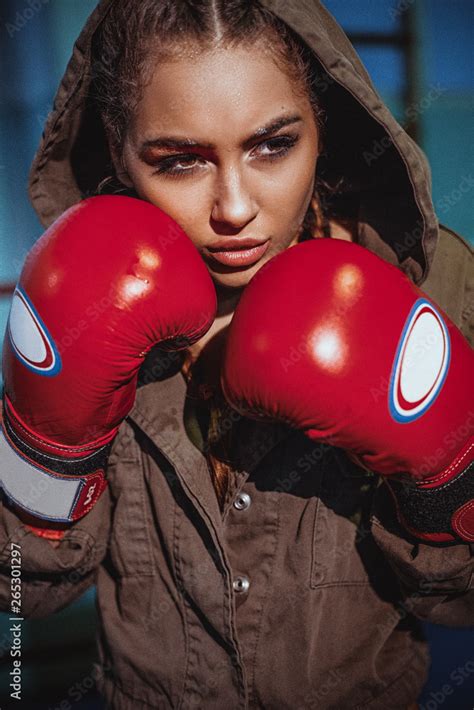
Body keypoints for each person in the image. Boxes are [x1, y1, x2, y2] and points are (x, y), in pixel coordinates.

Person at [0, 1, 472, 708]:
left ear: (322, 126)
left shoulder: (428, 287)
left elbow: (459, 600)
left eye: (272, 146)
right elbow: (24, 589)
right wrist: (45, 449)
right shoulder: (82, 297)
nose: (234, 207)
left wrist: (447, 480)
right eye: (180, 160)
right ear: (118, 147)